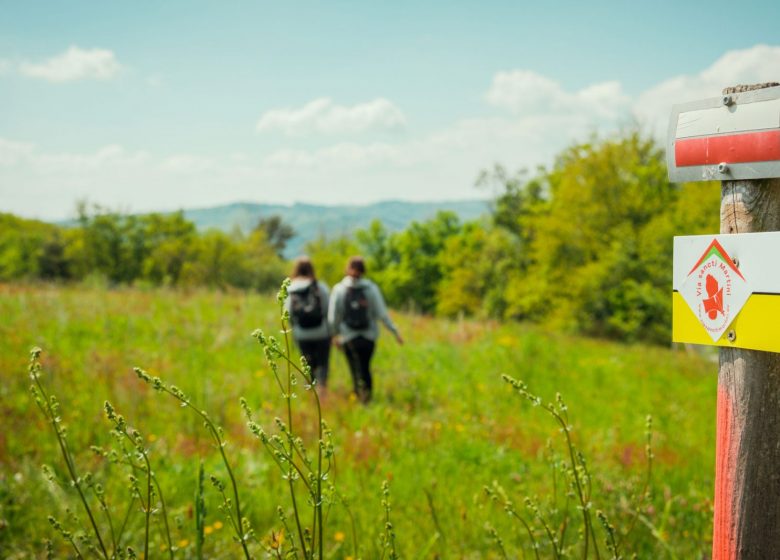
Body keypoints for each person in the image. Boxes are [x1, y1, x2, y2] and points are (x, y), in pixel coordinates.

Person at [329, 256, 403, 403]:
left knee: (354, 368)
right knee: (365, 367)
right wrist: (395, 332)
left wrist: (334, 335)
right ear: (363, 270)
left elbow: (333, 317)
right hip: (369, 337)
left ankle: (358, 394)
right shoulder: (371, 288)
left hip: (348, 337)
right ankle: (367, 398)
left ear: (347, 269)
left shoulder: (339, 289)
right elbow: (382, 313)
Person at [284, 257, 331, 391]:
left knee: (308, 364)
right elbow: (328, 309)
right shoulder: (320, 286)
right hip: (322, 332)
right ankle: (322, 391)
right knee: (322, 364)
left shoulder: (290, 288)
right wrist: (331, 331)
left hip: (301, 334)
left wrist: (293, 330)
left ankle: (311, 390)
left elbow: (288, 313)